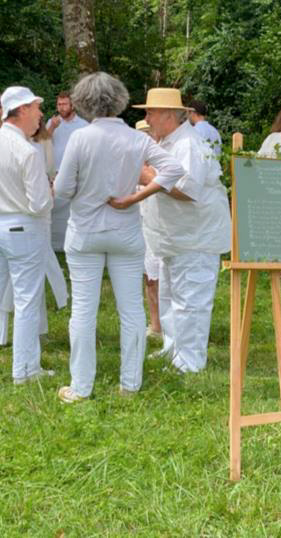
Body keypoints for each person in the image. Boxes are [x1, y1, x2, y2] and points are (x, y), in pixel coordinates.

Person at [54, 73, 187, 403]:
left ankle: (81, 387)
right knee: (131, 310)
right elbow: (173, 170)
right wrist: (134, 198)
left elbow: (62, 190)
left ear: (83, 102)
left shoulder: (80, 139)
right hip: (126, 232)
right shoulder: (136, 139)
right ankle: (130, 384)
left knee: (84, 310)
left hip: (85, 232)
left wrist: (82, 191)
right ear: (119, 100)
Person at [110, 87, 231, 374]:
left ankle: (189, 363)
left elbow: (186, 190)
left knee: (191, 301)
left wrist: (145, 174)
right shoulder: (166, 143)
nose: (147, 118)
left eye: (150, 112)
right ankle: (172, 349)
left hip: (194, 239)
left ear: (168, 115)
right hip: (174, 238)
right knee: (169, 298)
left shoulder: (188, 144)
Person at [0, 86, 54, 384]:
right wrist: (51, 191)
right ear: (21, 110)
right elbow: (39, 204)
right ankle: (24, 370)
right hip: (23, 228)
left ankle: (25, 366)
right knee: (27, 301)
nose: (40, 114)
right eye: (35, 108)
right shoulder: (26, 151)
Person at [47, 91, 89, 250]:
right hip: (54, 173)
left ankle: (73, 244)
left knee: (73, 212)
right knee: (53, 211)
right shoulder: (52, 122)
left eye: (64, 104)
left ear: (73, 105)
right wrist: (51, 127)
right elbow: (43, 143)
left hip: (76, 174)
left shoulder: (84, 125)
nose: (61, 108)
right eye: (59, 104)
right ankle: (53, 245)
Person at [135, 119, 162, 340]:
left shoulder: (162, 162)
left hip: (164, 227)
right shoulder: (132, 164)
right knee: (150, 278)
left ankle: (169, 327)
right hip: (143, 227)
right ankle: (155, 325)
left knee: (167, 279)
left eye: (149, 134)